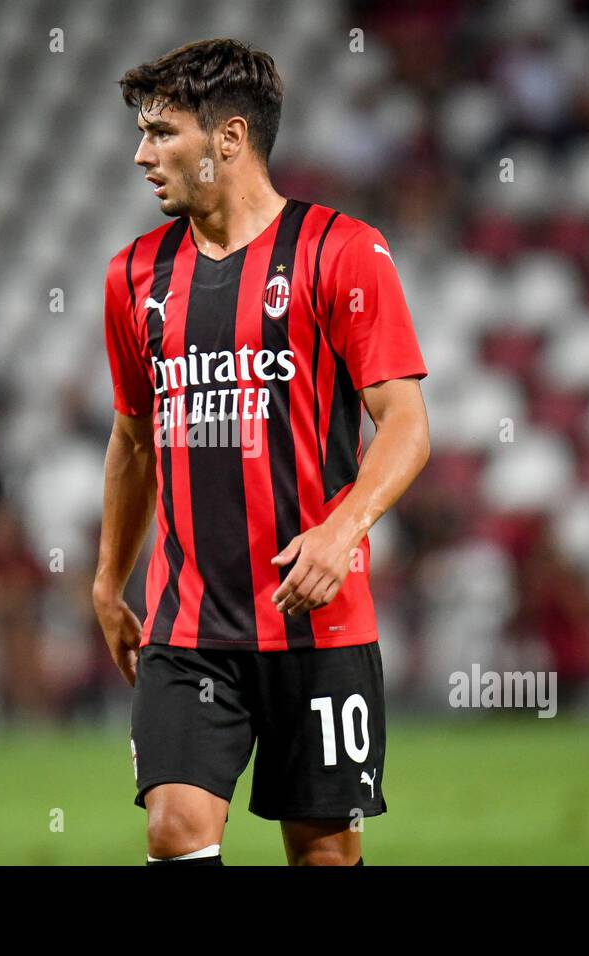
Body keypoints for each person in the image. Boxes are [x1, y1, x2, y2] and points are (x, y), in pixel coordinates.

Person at [92, 39, 431, 866]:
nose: (142, 155)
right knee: (175, 829)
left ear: (230, 140)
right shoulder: (133, 276)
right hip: (187, 625)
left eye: (162, 133)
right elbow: (134, 440)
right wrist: (108, 577)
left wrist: (342, 528)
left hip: (318, 621)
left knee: (323, 855)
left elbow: (408, 425)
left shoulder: (342, 251)